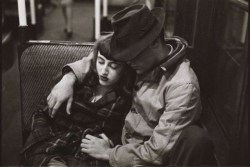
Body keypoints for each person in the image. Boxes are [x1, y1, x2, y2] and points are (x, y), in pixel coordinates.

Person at [47, 5, 217, 167]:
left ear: (155, 43)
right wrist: (68, 78)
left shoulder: (182, 86)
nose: (127, 61)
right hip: (121, 142)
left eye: (132, 55)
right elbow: (97, 58)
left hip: (145, 159)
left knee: (197, 137)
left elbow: (158, 151)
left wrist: (110, 153)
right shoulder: (143, 58)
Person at [20, 36, 135, 166]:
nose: (104, 71)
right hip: (53, 142)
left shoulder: (124, 99)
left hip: (89, 152)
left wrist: (111, 144)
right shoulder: (78, 81)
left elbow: (123, 132)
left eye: (113, 66)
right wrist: (43, 135)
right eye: (101, 62)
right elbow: (42, 112)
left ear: (125, 69)